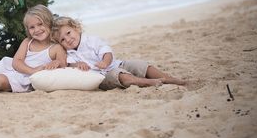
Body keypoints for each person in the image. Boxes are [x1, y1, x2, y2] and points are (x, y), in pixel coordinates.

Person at [52, 16, 186, 90]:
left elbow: (106, 51)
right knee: (122, 76)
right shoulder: (68, 54)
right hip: (103, 76)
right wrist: (78, 65)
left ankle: (167, 78)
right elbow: (68, 65)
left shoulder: (91, 40)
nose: (68, 39)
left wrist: (105, 62)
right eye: (62, 39)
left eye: (68, 33)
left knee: (140, 65)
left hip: (116, 63)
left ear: (76, 28)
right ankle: (149, 82)